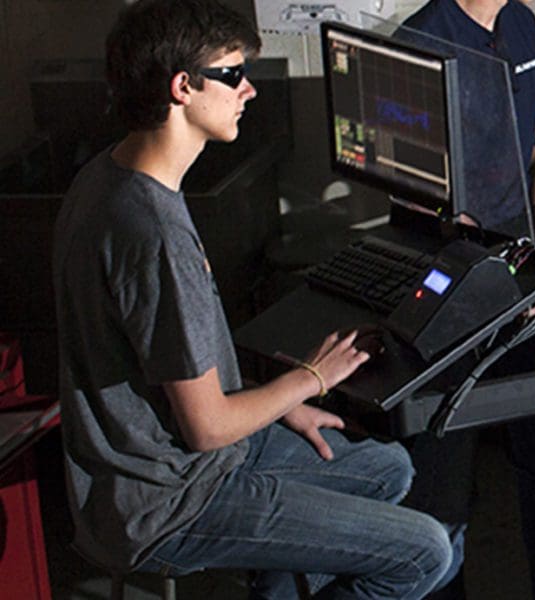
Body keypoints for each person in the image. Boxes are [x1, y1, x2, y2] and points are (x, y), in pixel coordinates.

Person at [51, 1, 457, 597]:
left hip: (159, 463)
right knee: (425, 552)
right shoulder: (154, 235)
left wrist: (274, 406)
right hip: (172, 501)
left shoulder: (110, 178)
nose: (248, 91)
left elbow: (170, 372)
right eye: (233, 74)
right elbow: (209, 428)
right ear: (183, 87)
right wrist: (308, 380)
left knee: (386, 469)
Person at [399, 1, 535, 598]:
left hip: (526, 274)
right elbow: (410, 188)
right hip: (454, 282)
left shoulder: (522, 24)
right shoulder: (423, 41)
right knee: (444, 469)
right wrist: (471, 248)